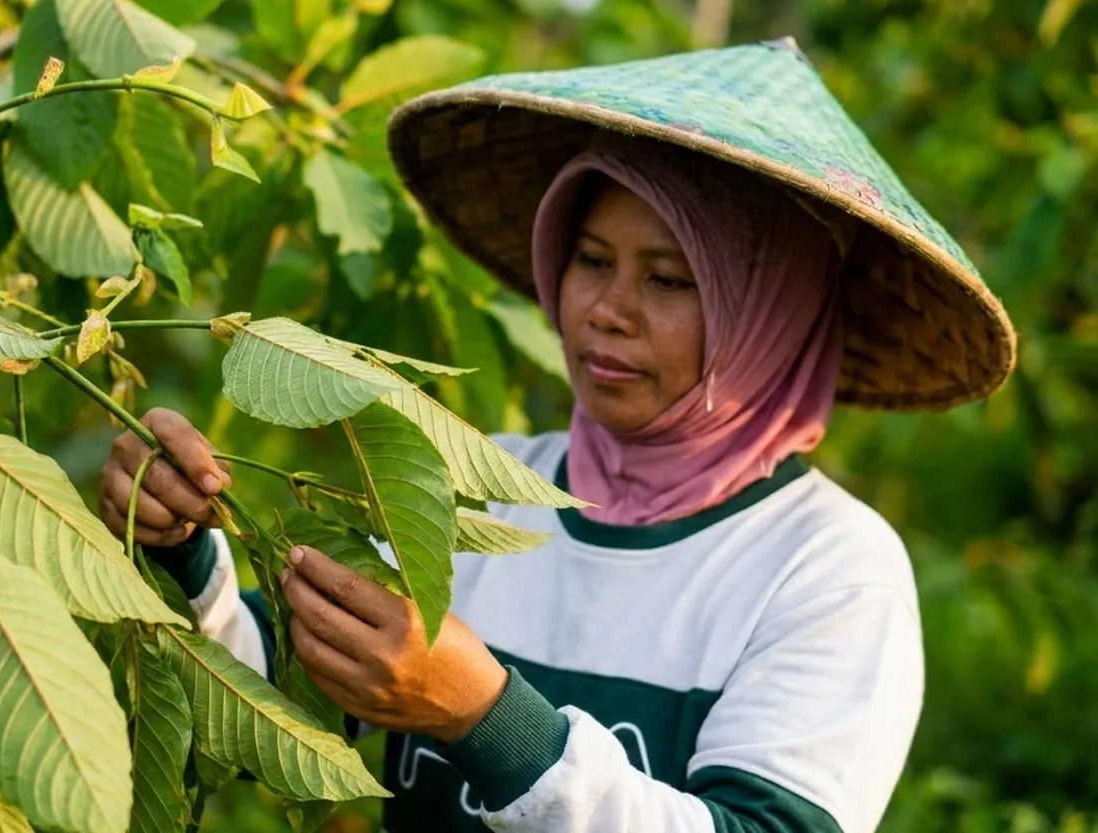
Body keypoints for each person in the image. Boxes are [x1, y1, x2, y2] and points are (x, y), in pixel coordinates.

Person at [99, 38, 1015, 833]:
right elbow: (282, 702)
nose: (607, 311)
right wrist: (182, 544)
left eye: (668, 280)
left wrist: (483, 717)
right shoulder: (493, 489)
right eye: (590, 260)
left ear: (767, 316)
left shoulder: (827, 567)